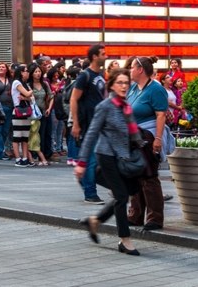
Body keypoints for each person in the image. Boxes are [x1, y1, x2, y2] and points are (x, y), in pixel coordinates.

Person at [75, 69, 143, 256]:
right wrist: (81, 163)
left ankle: (95, 221)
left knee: (131, 190)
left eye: (126, 82)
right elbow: (91, 134)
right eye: (119, 82)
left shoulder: (125, 106)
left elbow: (130, 132)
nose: (123, 86)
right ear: (111, 85)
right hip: (106, 156)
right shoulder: (105, 106)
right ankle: (125, 240)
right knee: (121, 196)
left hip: (123, 156)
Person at [127, 56, 169, 232]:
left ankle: (154, 218)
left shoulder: (156, 89)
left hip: (148, 135)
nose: (129, 70)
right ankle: (135, 215)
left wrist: (158, 139)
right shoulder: (133, 89)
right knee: (135, 176)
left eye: (132, 67)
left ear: (140, 70)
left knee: (149, 176)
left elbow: (161, 114)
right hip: (134, 136)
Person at [70, 44, 108, 204]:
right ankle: (90, 193)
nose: (106, 57)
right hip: (88, 124)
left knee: (99, 158)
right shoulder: (85, 76)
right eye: (103, 54)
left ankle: (83, 177)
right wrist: (76, 123)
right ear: (94, 56)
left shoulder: (101, 75)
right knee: (92, 158)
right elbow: (74, 98)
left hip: (100, 123)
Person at [26, 63, 51, 166]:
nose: (38, 73)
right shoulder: (28, 85)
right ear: (31, 73)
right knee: (33, 134)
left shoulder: (45, 84)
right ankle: (33, 156)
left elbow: (51, 96)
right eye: (36, 71)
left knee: (43, 134)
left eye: (39, 71)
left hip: (43, 112)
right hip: (33, 113)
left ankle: (43, 156)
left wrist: (49, 108)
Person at [10, 64, 34, 167]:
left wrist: (26, 96)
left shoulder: (26, 84)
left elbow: (31, 98)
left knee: (25, 137)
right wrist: (31, 92)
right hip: (18, 111)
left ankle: (25, 157)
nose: (27, 73)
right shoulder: (16, 82)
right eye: (26, 71)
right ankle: (18, 158)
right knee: (17, 136)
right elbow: (29, 94)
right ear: (21, 72)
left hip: (26, 111)